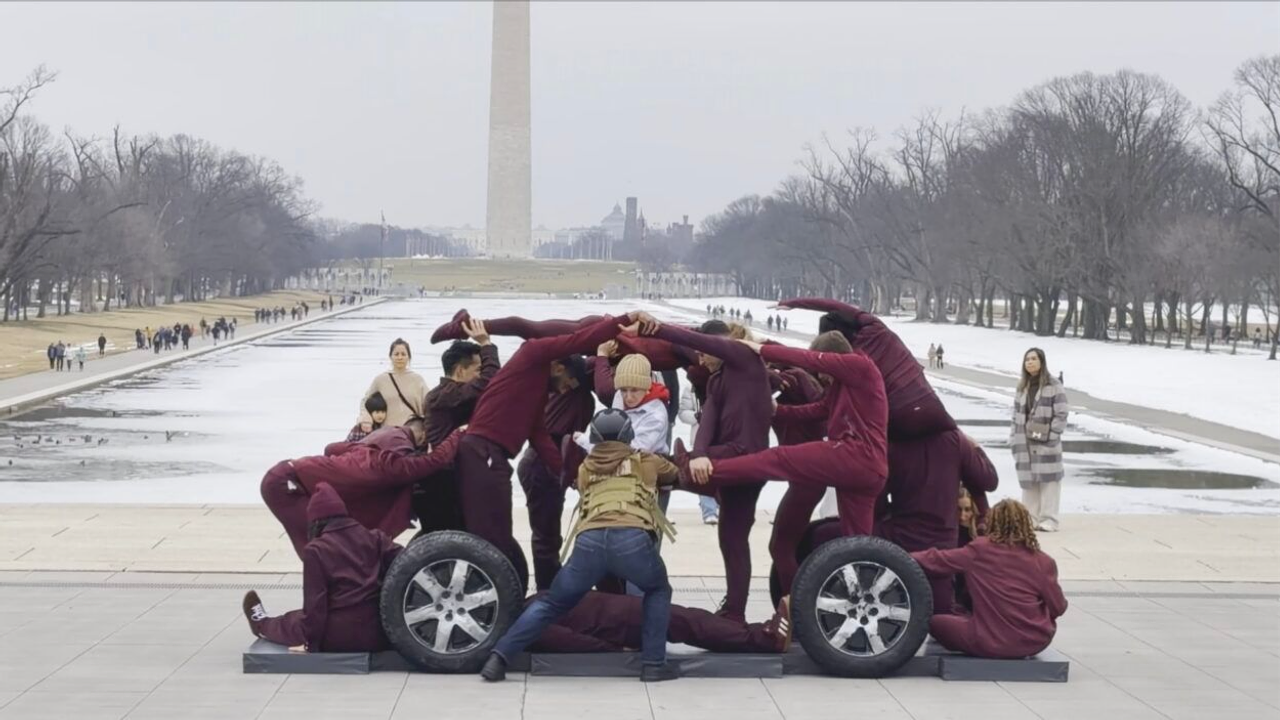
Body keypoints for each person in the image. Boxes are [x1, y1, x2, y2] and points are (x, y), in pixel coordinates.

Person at [456, 311, 651, 592]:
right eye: (567, 383)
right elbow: (566, 333)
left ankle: (548, 594)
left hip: (543, 458)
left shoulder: (546, 388)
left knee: (545, 535)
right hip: (523, 462)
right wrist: (613, 334)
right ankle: (545, 594)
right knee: (540, 536)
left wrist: (568, 473)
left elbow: (539, 436)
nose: (565, 390)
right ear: (559, 368)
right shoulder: (546, 363)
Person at [678, 331, 888, 590]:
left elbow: (808, 359)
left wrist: (762, 348)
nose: (822, 378)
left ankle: (709, 470)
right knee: (856, 547)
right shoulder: (843, 387)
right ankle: (857, 598)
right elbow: (820, 409)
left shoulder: (859, 367)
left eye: (824, 371)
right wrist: (776, 411)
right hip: (868, 471)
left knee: (778, 459)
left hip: (855, 455)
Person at [481, 409, 679, 683]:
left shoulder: (585, 468)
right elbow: (674, 473)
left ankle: (499, 657)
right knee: (657, 590)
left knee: (552, 603)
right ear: (629, 435)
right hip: (632, 540)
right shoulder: (646, 461)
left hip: (590, 542)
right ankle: (654, 664)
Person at [650, 318, 773, 622]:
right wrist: (699, 454)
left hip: (747, 458)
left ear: (721, 344)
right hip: (724, 457)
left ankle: (674, 469)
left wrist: (655, 326)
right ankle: (734, 610)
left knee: (669, 470)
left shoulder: (744, 359)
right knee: (730, 538)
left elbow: (707, 345)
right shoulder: (717, 379)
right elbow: (707, 423)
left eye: (704, 351)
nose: (700, 358)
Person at [260, 425, 462, 558]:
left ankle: (331, 602)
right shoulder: (385, 464)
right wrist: (458, 434)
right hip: (286, 485)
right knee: (323, 552)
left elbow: (330, 448)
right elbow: (432, 462)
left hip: (285, 474)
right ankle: (327, 609)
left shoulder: (367, 450)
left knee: (325, 550)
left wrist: (344, 465)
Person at [243, 483, 403, 652]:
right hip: (381, 633)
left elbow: (315, 607)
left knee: (291, 621)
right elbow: (408, 561)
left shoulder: (316, 550)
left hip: (340, 637)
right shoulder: (376, 538)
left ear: (316, 520)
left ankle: (261, 624)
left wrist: (311, 646)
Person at [776, 299, 956, 439]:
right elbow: (835, 305)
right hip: (931, 406)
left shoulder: (850, 364)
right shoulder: (876, 328)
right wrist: (794, 303)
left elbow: (824, 404)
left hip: (897, 418)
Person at [910, 499, 1068, 659]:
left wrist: (899, 555)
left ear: (992, 522)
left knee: (934, 621)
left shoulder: (980, 550)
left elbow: (937, 560)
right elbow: (1059, 607)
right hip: (1034, 642)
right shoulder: (1043, 561)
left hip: (986, 640)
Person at [877, 430, 997, 612]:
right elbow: (987, 480)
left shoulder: (895, 445)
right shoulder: (955, 442)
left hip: (909, 537)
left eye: (966, 511)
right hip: (943, 543)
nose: (963, 516)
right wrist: (976, 448)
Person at [529, 590, 791, 654]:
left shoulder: (527, 605)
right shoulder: (527, 620)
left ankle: (758, 632)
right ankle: (765, 639)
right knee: (691, 624)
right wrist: (616, 651)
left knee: (691, 620)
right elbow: (572, 642)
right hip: (623, 622)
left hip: (622, 610)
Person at [1012, 348, 1068, 532]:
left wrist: (1053, 435)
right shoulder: (1022, 386)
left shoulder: (1054, 385)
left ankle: (1049, 519)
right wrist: (1013, 436)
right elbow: (1015, 414)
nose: (1030, 362)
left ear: (1042, 361)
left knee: (1049, 481)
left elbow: (1061, 412)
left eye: (1034, 359)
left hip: (1046, 442)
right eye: (1027, 359)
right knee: (1029, 481)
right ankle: (1029, 519)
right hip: (1025, 440)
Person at [676, 367, 719, 525]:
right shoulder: (690, 389)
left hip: (722, 439)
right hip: (699, 438)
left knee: (718, 472)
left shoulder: (723, 387)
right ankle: (709, 511)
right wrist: (696, 416)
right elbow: (682, 413)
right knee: (703, 474)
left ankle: (720, 505)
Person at [357, 339, 428, 433]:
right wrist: (366, 420)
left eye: (403, 354)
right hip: (386, 434)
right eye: (396, 354)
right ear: (390, 357)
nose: (400, 357)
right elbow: (365, 401)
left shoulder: (418, 380)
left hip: (411, 434)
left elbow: (429, 405)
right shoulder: (381, 379)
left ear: (409, 357)